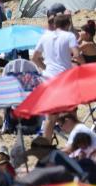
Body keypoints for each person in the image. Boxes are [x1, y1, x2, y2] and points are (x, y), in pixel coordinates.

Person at [32, 13, 81, 141]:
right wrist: (85, 66)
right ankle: (74, 141)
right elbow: (76, 55)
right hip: (64, 79)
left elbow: (34, 58)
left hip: (47, 78)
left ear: (54, 24)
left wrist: (45, 67)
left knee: (50, 117)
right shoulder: (69, 36)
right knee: (71, 112)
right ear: (68, 25)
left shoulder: (45, 36)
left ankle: (46, 145)